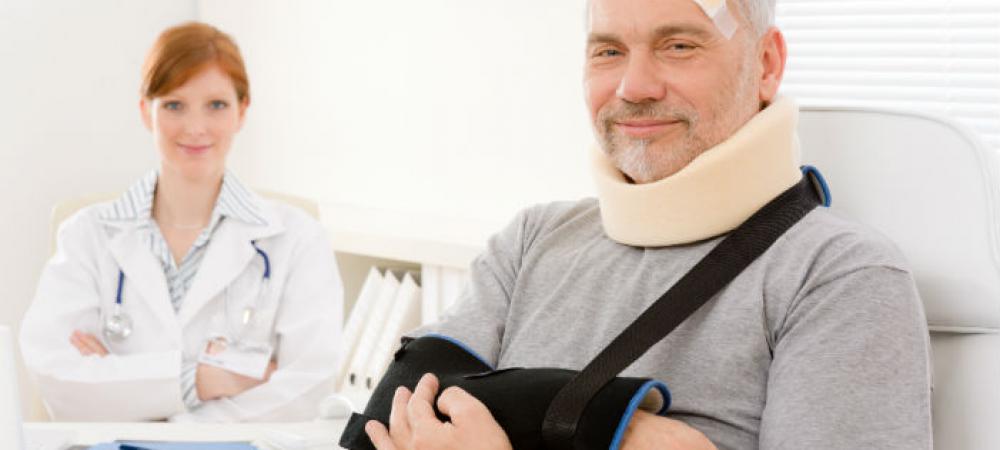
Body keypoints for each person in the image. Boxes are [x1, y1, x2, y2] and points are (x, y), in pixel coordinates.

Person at [364, 0, 932, 448]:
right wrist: (623, 427)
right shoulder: (531, 239)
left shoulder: (839, 275)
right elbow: (386, 416)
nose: (634, 87)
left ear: (766, 64)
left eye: (679, 45)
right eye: (608, 51)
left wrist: (507, 419)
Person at [20, 22, 343, 422]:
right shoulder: (87, 235)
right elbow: (57, 374)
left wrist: (150, 411)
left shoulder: (297, 239)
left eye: (216, 105)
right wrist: (198, 381)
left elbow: (306, 389)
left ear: (242, 111)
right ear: (146, 111)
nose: (195, 127)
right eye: (174, 105)